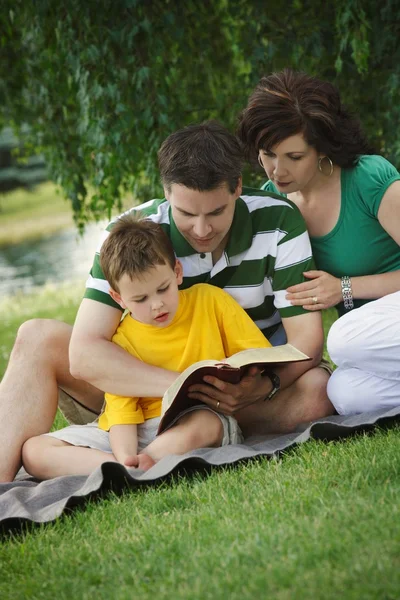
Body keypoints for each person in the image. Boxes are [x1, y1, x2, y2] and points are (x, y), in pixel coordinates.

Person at [0, 120, 332, 483]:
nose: (202, 230)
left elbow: (306, 344)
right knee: (36, 336)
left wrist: (262, 385)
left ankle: (166, 448)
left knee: (317, 391)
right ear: (166, 191)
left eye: (217, 212)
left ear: (237, 187)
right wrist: (180, 386)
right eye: (187, 214)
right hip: (141, 394)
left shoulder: (279, 221)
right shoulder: (130, 236)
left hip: (244, 397)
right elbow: (84, 355)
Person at [22, 215, 273, 478]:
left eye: (162, 289)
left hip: (195, 418)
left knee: (207, 424)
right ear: (118, 298)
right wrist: (125, 455)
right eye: (140, 299)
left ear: (177, 273)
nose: (157, 305)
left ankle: (142, 466)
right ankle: (126, 469)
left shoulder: (210, 301)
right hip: (136, 431)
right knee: (34, 450)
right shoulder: (121, 340)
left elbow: (259, 356)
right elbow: (122, 417)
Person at [237, 69, 400, 416]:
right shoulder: (273, 206)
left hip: (367, 329)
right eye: (268, 154)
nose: (277, 170)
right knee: (345, 394)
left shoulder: (369, 178)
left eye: (294, 157)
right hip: (376, 340)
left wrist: (344, 288)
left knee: (342, 338)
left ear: (322, 147)